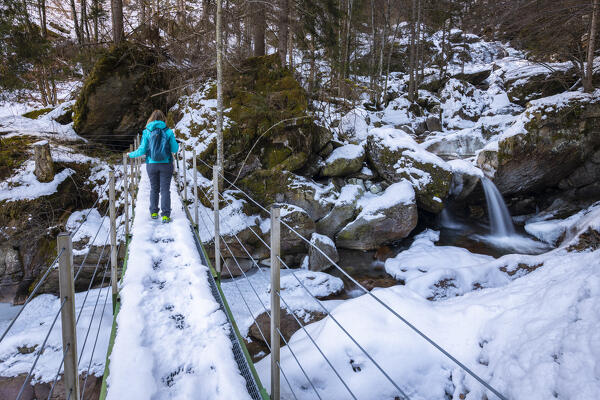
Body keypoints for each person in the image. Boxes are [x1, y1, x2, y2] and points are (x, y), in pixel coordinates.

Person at [128, 110, 179, 223]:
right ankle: (165, 215)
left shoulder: (147, 132)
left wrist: (130, 154)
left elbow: (142, 149)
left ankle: (154, 212)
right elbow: (175, 149)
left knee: (154, 189)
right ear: (164, 119)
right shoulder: (169, 131)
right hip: (166, 164)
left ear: (150, 119)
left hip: (151, 165)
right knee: (165, 189)